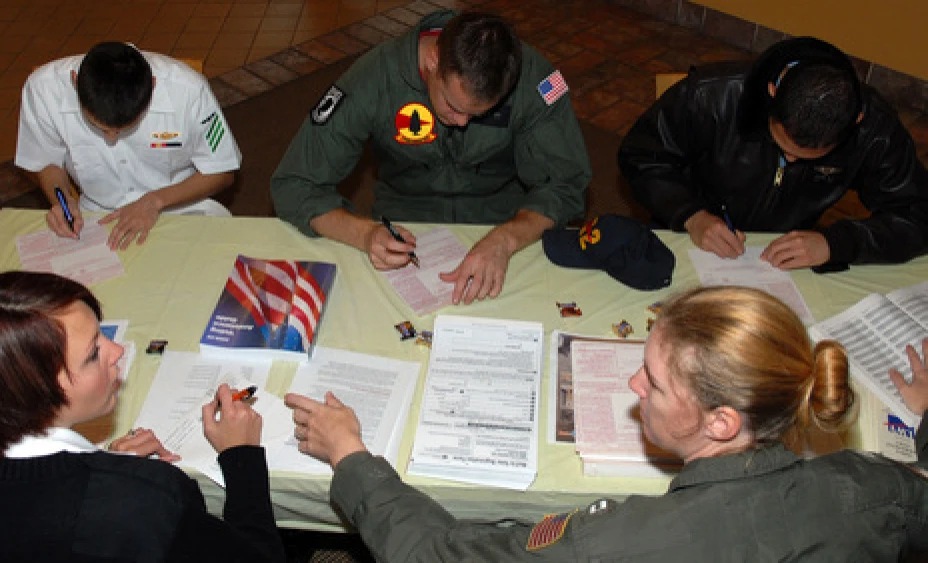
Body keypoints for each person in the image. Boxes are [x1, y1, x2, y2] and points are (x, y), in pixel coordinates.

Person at [285, 286, 928, 561]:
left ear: (723, 422)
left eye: (654, 379)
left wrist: (350, 456)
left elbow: (436, 556)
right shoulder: (872, 486)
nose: (632, 385)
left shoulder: (620, 543)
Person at [0, 272, 285, 562]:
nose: (117, 351)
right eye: (94, 353)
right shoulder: (150, 500)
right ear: (37, 393)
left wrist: (104, 468)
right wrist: (242, 458)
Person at [271, 10, 591, 304]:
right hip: (403, 229)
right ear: (433, 59)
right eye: (453, 105)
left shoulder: (535, 78)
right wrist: (365, 234)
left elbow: (567, 183)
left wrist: (506, 239)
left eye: (482, 113)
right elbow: (294, 184)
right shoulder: (376, 76)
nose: (462, 122)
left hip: (506, 226)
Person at [618, 36, 928, 273]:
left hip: (782, 256)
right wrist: (691, 214)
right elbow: (640, 157)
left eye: (807, 157)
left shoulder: (874, 128)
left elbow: (917, 217)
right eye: (782, 146)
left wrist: (835, 244)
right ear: (771, 92)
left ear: (856, 122)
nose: (790, 161)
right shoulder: (710, 94)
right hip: (687, 232)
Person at [16, 41, 241, 251]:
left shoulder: (189, 89)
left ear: (153, 85)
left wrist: (155, 201)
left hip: (181, 206)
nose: (112, 138)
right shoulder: (43, 89)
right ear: (75, 82)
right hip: (95, 215)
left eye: (124, 129)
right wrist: (63, 203)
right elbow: (46, 163)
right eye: (101, 129)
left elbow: (221, 171)